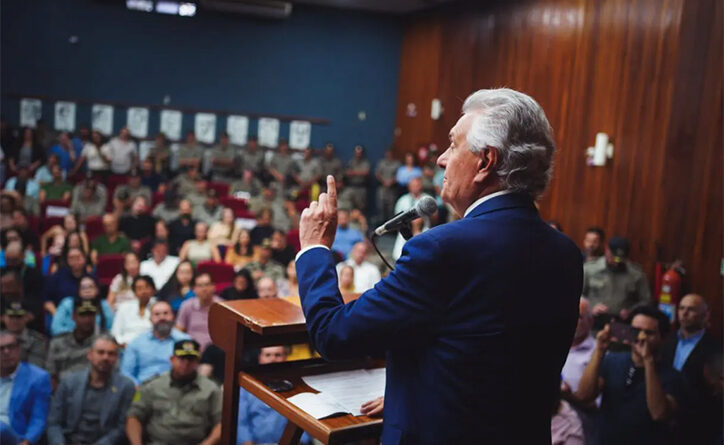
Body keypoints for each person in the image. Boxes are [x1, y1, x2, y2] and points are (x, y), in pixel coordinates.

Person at [295, 88, 583, 443]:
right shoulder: (566, 254)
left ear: (485, 161)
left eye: (453, 145)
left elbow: (332, 334)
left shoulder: (441, 249)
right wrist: (415, 392)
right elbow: (493, 360)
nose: (442, 160)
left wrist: (314, 248)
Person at [577, 306, 684, 445]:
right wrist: (599, 351)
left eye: (648, 333)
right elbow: (584, 396)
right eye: (636, 331)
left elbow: (659, 414)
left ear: (662, 339)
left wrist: (648, 360)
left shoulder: (672, 376)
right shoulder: (612, 360)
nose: (640, 337)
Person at [125, 339, 222, 445]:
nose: (186, 363)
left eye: (191, 359)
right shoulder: (151, 386)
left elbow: (221, 423)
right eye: (181, 358)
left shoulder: (211, 389)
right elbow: (133, 417)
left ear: (197, 361)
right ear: (172, 359)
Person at [47, 335, 135, 445]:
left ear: (117, 358)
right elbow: (54, 422)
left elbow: (121, 428)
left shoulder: (126, 387)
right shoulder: (69, 382)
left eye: (111, 354)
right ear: (90, 355)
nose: (105, 358)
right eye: (100, 352)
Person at [660, 293, 722, 444]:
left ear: (705, 315)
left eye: (691, 309)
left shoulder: (716, 348)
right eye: (681, 308)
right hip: (663, 415)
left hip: (696, 423)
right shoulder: (666, 340)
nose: (684, 313)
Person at [237, 346, 312, 445]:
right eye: (268, 355)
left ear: (285, 358)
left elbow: (305, 424)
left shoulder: (299, 386)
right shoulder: (246, 387)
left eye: (278, 355)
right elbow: (241, 423)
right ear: (260, 358)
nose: (272, 359)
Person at [582, 236, 651, 324]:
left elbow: (646, 301)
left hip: (623, 324)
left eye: (620, 259)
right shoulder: (589, 269)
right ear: (607, 250)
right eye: (614, 258)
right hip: (593, 321)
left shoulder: (636, 274)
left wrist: (631, 311)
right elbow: (577, 296)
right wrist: (591, 307)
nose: (616, 262)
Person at [120, 301, 190, 386]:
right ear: (150, 319)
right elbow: (126, 373)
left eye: (166, 313)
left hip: (177, 388)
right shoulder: (136, 343)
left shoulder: (185, 341)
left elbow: (192, 369)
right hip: (144, 389)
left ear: (173, 317)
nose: (162, 317)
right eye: (157, 314)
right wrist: (136, 387)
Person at [0, 332, 51, 445]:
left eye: (11, 347)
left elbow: (38, 419)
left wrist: (27, 442)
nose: (6, 352)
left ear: (18, 349)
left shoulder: (38, 378)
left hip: (14, 437)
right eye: (1, 349)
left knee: (1, 428)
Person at [46, 298, 100, 385]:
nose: (87, 319)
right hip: (63, 391)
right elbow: (50, 375)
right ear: (73, 316)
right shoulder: (58, 343)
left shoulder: (104, 342)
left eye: (90, 315)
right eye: (82, 315)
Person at [176, 273, 222, 351]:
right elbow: (178, 332)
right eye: (200, 285)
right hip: (191, 350)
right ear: (194, 289)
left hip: (216, 351)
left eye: (207, 284)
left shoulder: (222, 307)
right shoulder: (186, 306)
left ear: (213, 287)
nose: (204, 289)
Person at [391, 177, 434, 260]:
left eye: (417, 185)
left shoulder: (427, 199)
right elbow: (396, 219)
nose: (415, 187)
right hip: (405, 232)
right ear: (409, 187)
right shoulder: (402, 200)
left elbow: (435, 217)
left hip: (424, 231)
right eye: (413, 185)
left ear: (421, 186)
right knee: (400, 257)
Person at [42, 247, 89, 316]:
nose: (75, 260)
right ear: (67, 260)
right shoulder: (56, 277)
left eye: (78, 257)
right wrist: (58, 316)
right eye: (71, 258)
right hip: (61, 316)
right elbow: (46, 300)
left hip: (86, 316)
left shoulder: (90, 278)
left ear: (84, 259)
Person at [111, 276, 156, 346]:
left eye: (147, 287)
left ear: (153, 290)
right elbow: (116, 332)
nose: (143, 291)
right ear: (134, 292)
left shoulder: (159, 307)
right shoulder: (124, 307)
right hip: (126, 345)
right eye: (139, 288)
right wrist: (122, 344)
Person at [0, 302, 47, 368]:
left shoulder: (37, 340)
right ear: (3, 318)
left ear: (27, 318)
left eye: (19, 317)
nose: (15, 320)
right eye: (11, 317)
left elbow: (35, 368)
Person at [339, 144, 370, 211]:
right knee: (347, 204)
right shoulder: (351, 162)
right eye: (357, 153)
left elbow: (366, 173)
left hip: (361, 187)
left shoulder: (365, 163)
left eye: (359, 153)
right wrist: (358, 173)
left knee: (361, 207)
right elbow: (347, 173)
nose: (358, 154)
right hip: (351, 186)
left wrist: (353, 173)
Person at [375, 148, 401, 222]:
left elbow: (400, 175)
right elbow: (377, 173)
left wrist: (391, 181)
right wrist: (384, 181)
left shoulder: (397, 164)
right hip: (382, 188)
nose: (389, 155)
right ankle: (381, 225)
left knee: (391, 208)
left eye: (390, 153)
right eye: (388, 153)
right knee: (380, 207)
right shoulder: (381, 163)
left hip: (392, 189)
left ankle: (391, 228)